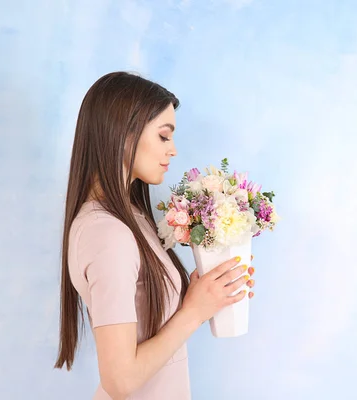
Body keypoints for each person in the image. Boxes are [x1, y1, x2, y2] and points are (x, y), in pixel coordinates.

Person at [53, 71, 256, 399]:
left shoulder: (130, 218)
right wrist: (194, 311)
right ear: (124, 133)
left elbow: (152, 326)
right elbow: (119, 381)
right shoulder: (107, 233)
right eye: (164, 136)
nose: (173, 150)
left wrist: (210, 294)